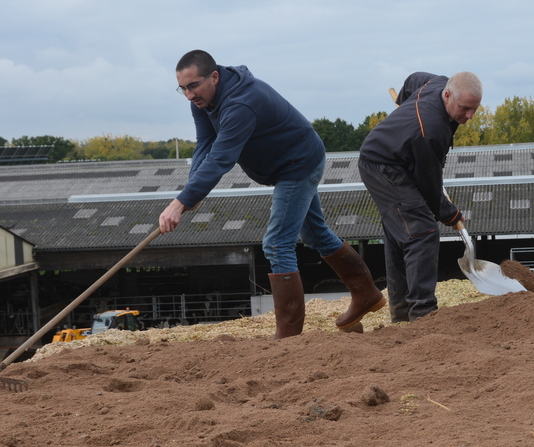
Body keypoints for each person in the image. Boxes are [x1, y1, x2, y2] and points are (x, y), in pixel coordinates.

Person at [158, 50, 384, 339]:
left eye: (193, 86)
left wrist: (180, 202)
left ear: (214, 77)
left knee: (277, 244)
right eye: (183, 89)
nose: (189, 95)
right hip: (285, 165)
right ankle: (367, 294)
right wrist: (194, 189)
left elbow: (222, 158)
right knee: (314, 234)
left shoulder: (240, 103)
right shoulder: (203, 100)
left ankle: (288, 337)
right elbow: (206, 143)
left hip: (298, 163)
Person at [358, 71, 482, 322]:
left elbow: (414, 78)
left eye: (474, 109)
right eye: (464, 108)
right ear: (447, 95)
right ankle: (422, 313)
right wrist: (449, 213)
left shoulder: (437, 83)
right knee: (422, 230)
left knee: (401, 232)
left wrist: (404, 100)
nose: (469, 116)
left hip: (396, 159)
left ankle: (402, 314)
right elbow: (430, 186)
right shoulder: (432, 130)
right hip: (383, 165)